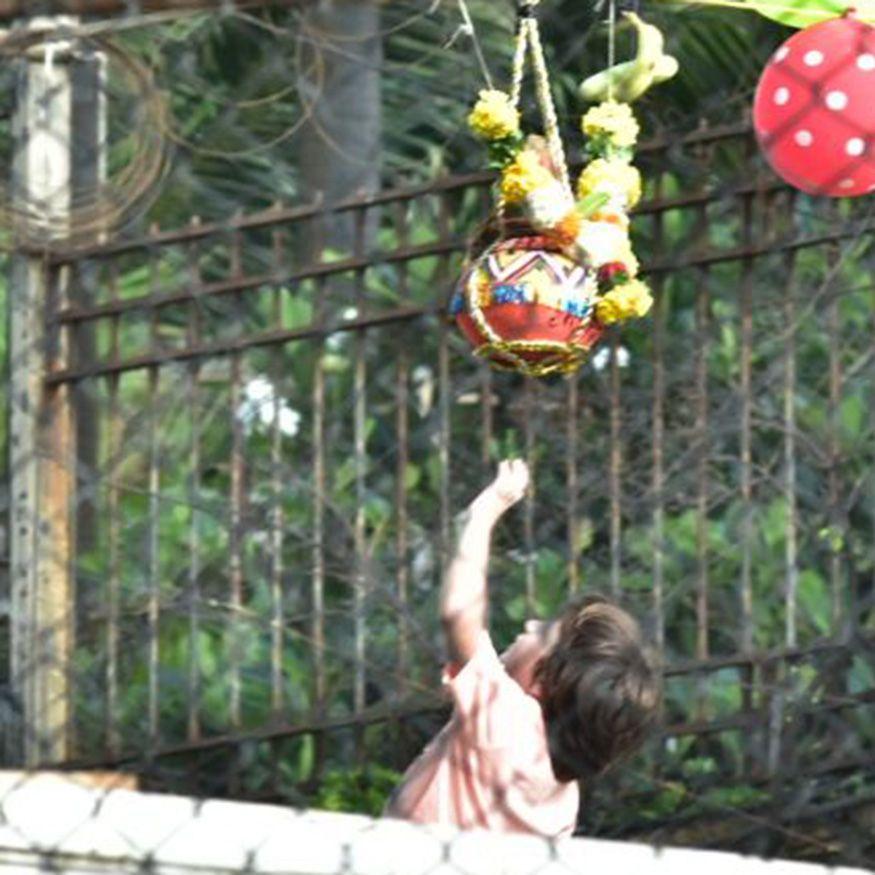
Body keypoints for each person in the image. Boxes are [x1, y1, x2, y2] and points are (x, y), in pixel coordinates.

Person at [385, 459, 660, 838]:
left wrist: (486, 510)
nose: (529, 625)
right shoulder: (562, 797)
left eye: (542, 631)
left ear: (543, 682)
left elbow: (459, 615)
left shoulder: (507, 722)